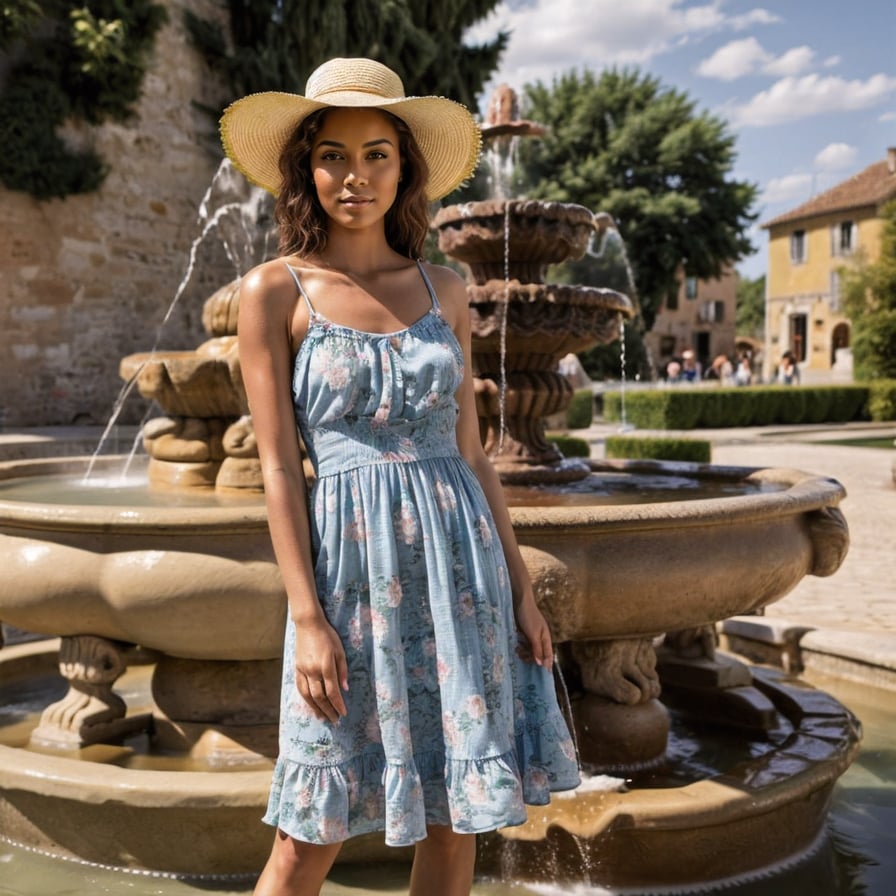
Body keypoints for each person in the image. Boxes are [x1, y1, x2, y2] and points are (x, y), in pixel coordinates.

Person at [220, 58, 580, 896]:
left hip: (464, 575)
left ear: (404, 166)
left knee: (456, 815)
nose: (356, 175)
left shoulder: (444, 288)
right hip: (348, 582)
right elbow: (278, 464)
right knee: (311, 831)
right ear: (306, 167)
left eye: (377, 153)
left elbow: (474, 454)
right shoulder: (274, 291)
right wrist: (306, 616)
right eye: (334, 155)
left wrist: (522, 588)